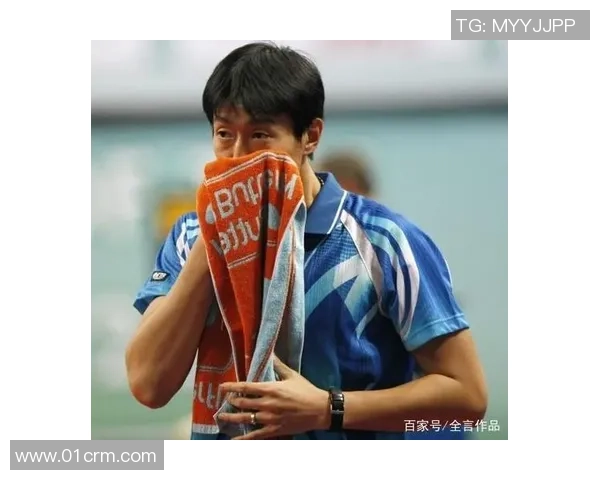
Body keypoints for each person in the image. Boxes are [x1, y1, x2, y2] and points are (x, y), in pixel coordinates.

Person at [126, 42, 488, 440]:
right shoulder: (188, 237)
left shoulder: (384, 240)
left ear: (310, 136)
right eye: (224, 134)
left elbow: (467, 396)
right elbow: (148, 384)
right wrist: (214, 239)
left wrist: (327, 409)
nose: (239, 155)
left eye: (260, 135)